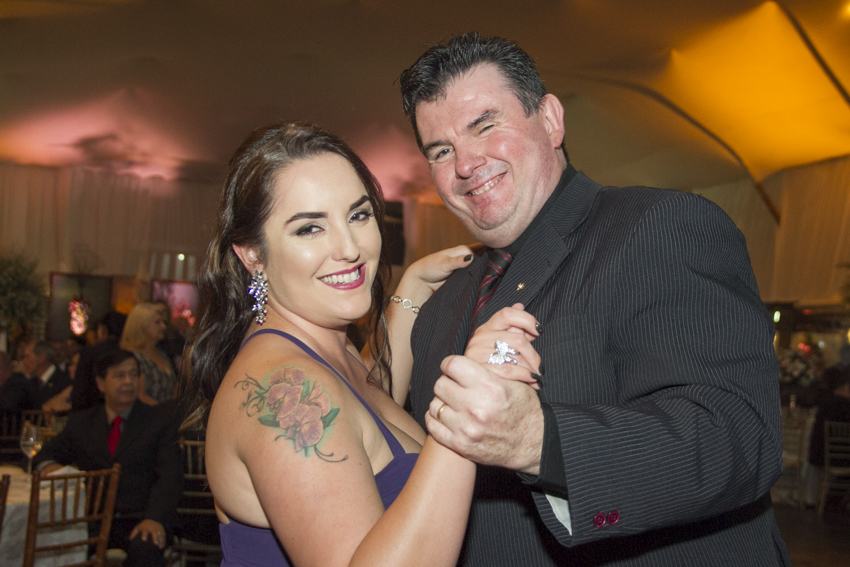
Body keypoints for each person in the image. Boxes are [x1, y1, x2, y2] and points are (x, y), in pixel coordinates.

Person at [397, 32, 789, 566]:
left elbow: (738, 437)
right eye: (441, 151)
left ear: (551, 119)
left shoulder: (660, 227)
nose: (465, 164)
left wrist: (538, 441)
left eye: (485, 125)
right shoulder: (440, 306)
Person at [184, 122, 540, 566]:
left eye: (358, 215)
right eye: (309, 229)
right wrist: (466, 411)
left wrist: (410, 293)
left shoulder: (328, 350)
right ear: (253, 254)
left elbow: (367, 413)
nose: (350, 248)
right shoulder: (286, 387)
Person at [33, 349, 183, 567]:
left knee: (145, 551)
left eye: (133, 374)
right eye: (120, 375)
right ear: (101, 384)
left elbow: (170, 476)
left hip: (139, 518)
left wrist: (155, 518)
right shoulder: (83, 423)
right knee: (50, 546)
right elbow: (43, 456)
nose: (128, 382)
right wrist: (52, 468)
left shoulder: (158, 421)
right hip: (91, 521)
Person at [121, 302, 177, 405]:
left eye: (163, 322)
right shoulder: (133, 357)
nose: (163, 326)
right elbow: (140, 395)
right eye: (157, 322)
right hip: (148, 413)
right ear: (142, 326)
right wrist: (165, 410)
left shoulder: (161, 353)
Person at [72, 310, 128, 411]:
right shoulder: (130, 352)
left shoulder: (90, 354)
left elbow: (80, 393)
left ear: (103, 330)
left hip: (93, 411)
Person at [21, 340, 72, 409]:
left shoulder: (63, 381)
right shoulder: (31, 383)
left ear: (41, 358)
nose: (24, 361)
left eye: (27, 357)